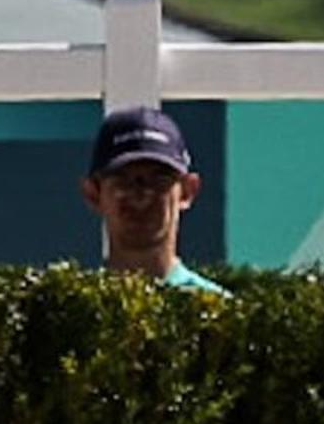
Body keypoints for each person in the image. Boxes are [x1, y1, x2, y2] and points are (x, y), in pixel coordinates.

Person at [82, 107, 225, 293]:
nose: (140, 196)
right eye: (122, 181)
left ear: (187, 191)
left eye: (159, 180)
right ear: (93, 194)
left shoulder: (220, 313)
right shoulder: (71, 310)